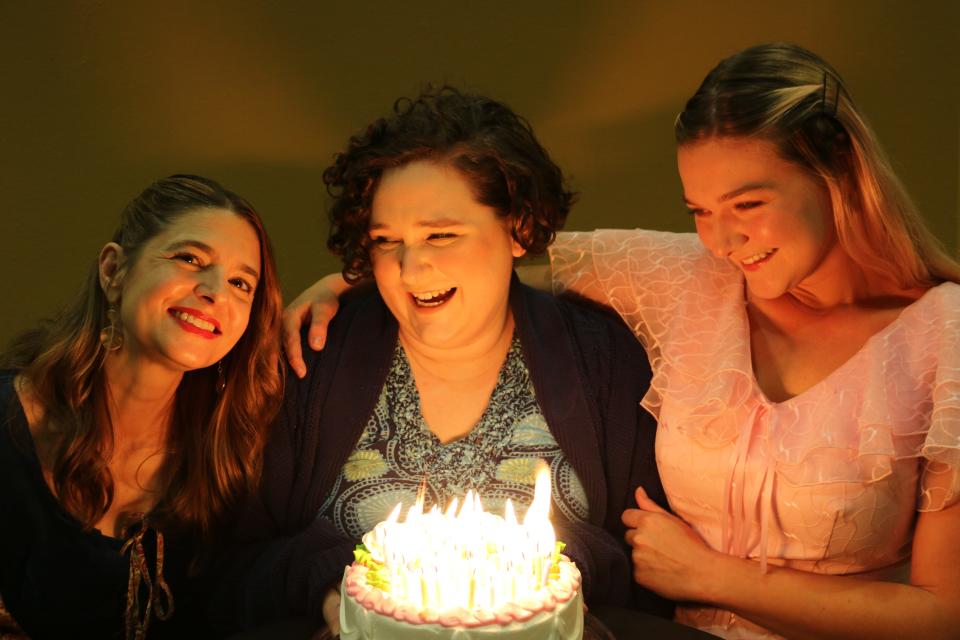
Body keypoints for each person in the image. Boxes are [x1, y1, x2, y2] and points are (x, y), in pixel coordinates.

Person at [285, 44, 960, 639]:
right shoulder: (684, 279)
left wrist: (716, 578)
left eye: (747, 205)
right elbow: (486, 258)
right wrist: (345, 282)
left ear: (836, 167)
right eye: (700, 211)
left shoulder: (943, 334)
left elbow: (943, 615)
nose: (722, 241)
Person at [212, 86, 669, 635]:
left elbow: (649, 570)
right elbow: (229, 570)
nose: (410, 269)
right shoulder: (312, 358)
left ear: (519, 228)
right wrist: (334, 590)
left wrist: (547, 585)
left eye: (441, 235)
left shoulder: (600, 358)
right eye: (387, 241)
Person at [0, 174, 283, 639]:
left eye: (240, 283)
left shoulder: (232, 455)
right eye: (190, 259)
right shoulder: (10, 424)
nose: (215, 291)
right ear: (114, 271)